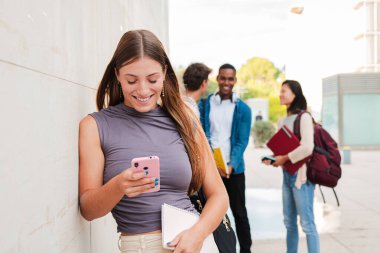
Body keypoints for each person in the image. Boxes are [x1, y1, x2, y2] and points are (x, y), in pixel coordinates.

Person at [78, 30, 229, 253]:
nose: (143, 90)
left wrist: (197, 234)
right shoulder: (94, 126)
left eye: (152, 79)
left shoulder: (185, 119)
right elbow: (88, 209)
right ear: (117, 74)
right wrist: (119, 186)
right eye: (131, 80)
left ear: (164, 72)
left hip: (195, 242)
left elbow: (219, 195)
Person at [199, 63, 252, 253]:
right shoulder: (205, 104)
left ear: (235, 80)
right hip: (211, 169)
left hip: (234, 170)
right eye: (223, 78)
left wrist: (231, 165)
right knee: (210, 213)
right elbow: (203, 134)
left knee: (239, 214)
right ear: (217, 79)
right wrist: (212, 162)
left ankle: (246, 251)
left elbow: (242, 140)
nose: (226, 82)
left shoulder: (243, 109)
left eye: (230, 79)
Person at [262, 80, 320, 253]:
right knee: (289, 223)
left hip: (301, 178)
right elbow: (284, 148)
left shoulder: (305, 117)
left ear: (295, 94)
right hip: (287, 176)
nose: (280, 94)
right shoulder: (282, 120)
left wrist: (284, 158)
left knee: (307, 223)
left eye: (284, 91)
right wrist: (273, 158)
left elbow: (307, 147)